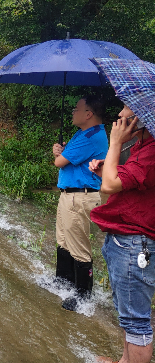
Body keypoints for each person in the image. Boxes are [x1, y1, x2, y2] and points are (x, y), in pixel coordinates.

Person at [89, 106, 155, 363]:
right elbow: (117, 181)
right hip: (127, 240)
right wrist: (108, 166)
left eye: (126, 112)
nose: (119, 115)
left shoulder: (151, 151)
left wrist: (114, 142)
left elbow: (109, 185)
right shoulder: (142, 147)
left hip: (135, 242)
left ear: (142, 117)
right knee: (128, 314)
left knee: (137, 322)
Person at [52, 95, 108, 311]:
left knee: (78, 246)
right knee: (64, 240)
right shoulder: (85, 133)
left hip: (79, 196)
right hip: (70, 195)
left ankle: (83, 297)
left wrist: (58, 154)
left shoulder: (91, 137)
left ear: (88, 114)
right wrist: (62, 150)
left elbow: (60, 161)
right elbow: (66, 155)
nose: (73, 112)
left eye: (77, 109)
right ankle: (63, 282)